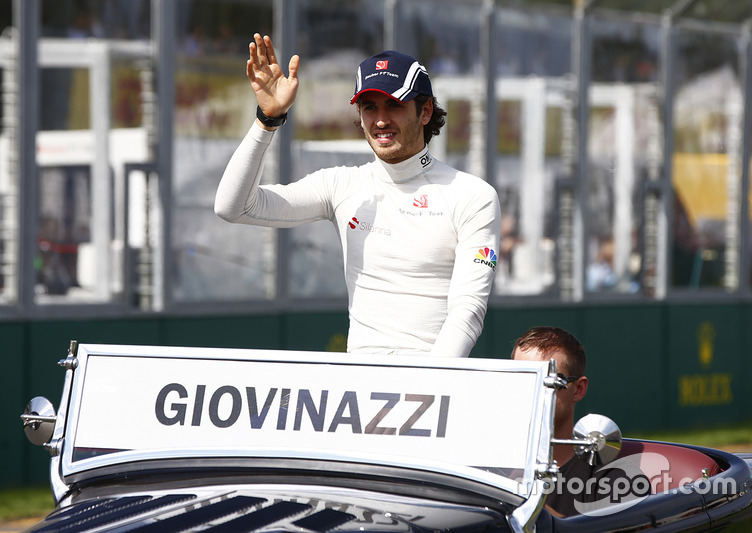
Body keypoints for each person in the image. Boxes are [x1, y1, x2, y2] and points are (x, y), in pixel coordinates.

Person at [214, 34, 501, 357]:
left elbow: (468, 310)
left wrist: (428, 384)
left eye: (394, 104)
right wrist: (267, 121)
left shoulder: (473, 195)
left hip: (432, 384)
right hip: (361, 386)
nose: (380, 120)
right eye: (369, 107)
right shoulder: (342, 184)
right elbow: (233, 206)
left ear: (425, 112)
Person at [511, 326, 649, 517]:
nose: (532, 392)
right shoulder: (489, 464)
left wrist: (522, 504)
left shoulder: (616, 479)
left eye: (549, 382)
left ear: (578, 389)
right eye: (523, 379)